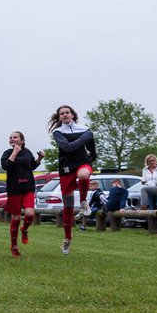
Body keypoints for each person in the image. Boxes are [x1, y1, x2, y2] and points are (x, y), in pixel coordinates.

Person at [49, 105, 96, 255]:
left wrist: (91, 158)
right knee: (68, 205)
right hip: (66, 168)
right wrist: (85, 137)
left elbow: (92, 148)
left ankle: (83, 202)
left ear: (73, 115)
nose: (64, 115)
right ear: (59, 118)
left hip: (82, 163)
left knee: (83, 175)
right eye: (61, 114)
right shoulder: (58, 132)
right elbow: (68, 148)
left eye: (67, 112)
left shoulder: (84, 128)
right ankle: (67, 238)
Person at [0, 131, 43, 257]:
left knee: (30, 214)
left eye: (15, 137)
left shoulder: (28, 152)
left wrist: (40, 158)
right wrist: (14, 152)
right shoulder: (7, 153)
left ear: (22, 140)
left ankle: (24, 229)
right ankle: (14, 246)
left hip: (28, 188)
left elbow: (32, 166)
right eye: (10, 137)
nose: (12, 139)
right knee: (16, 218)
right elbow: (6, 166)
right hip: (14, 190)